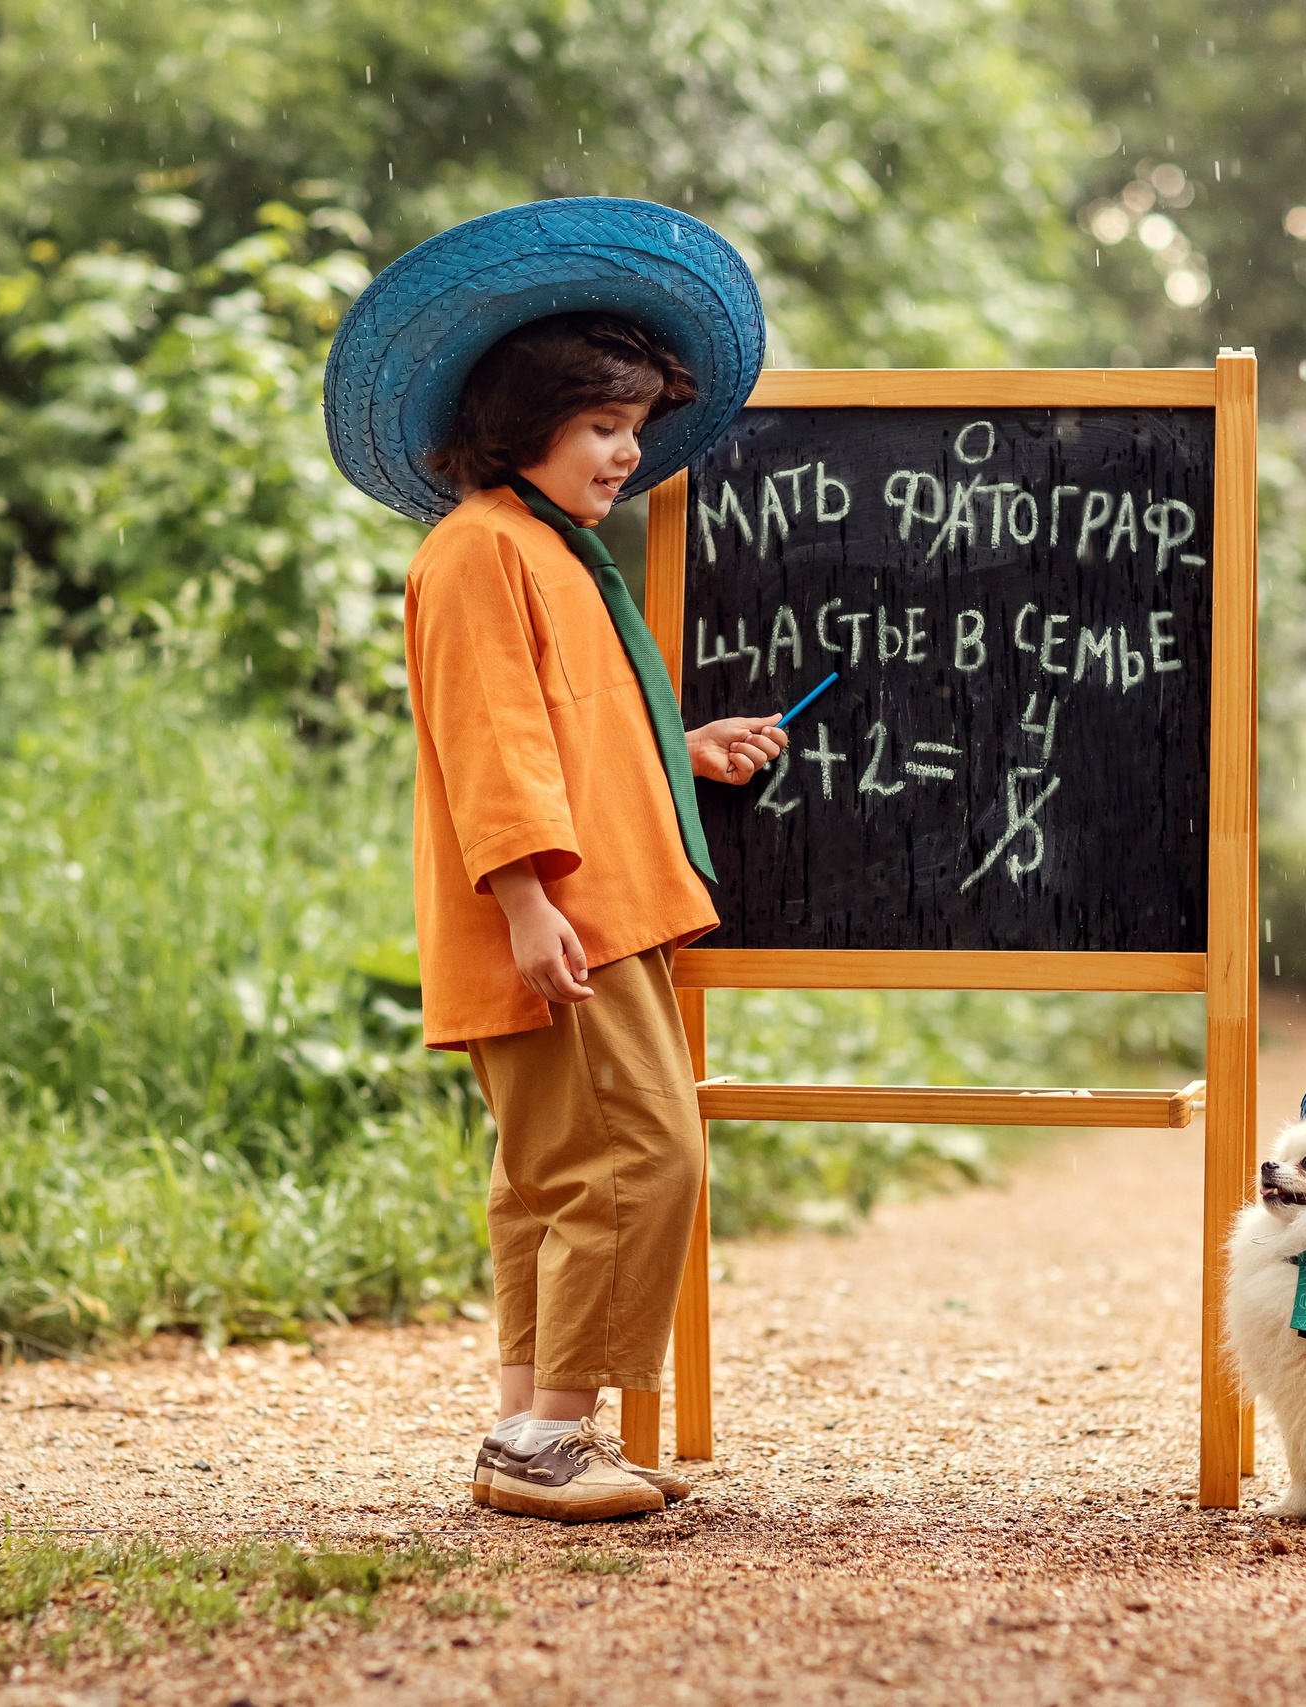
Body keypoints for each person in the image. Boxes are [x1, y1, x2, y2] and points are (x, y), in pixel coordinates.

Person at [323, 200, 782, 1521]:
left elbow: (567, 721)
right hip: (559, 919)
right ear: (523, 425)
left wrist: (678, 749)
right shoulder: (479, 551)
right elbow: (493, 745)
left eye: (635, 427)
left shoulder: (546, 551)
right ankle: (555, 1436)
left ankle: (528, 1429)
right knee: (647, 1155)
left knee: (553, 1177)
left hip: (588, 911)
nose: (626, 453)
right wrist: (527, 903)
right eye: (601, 426)